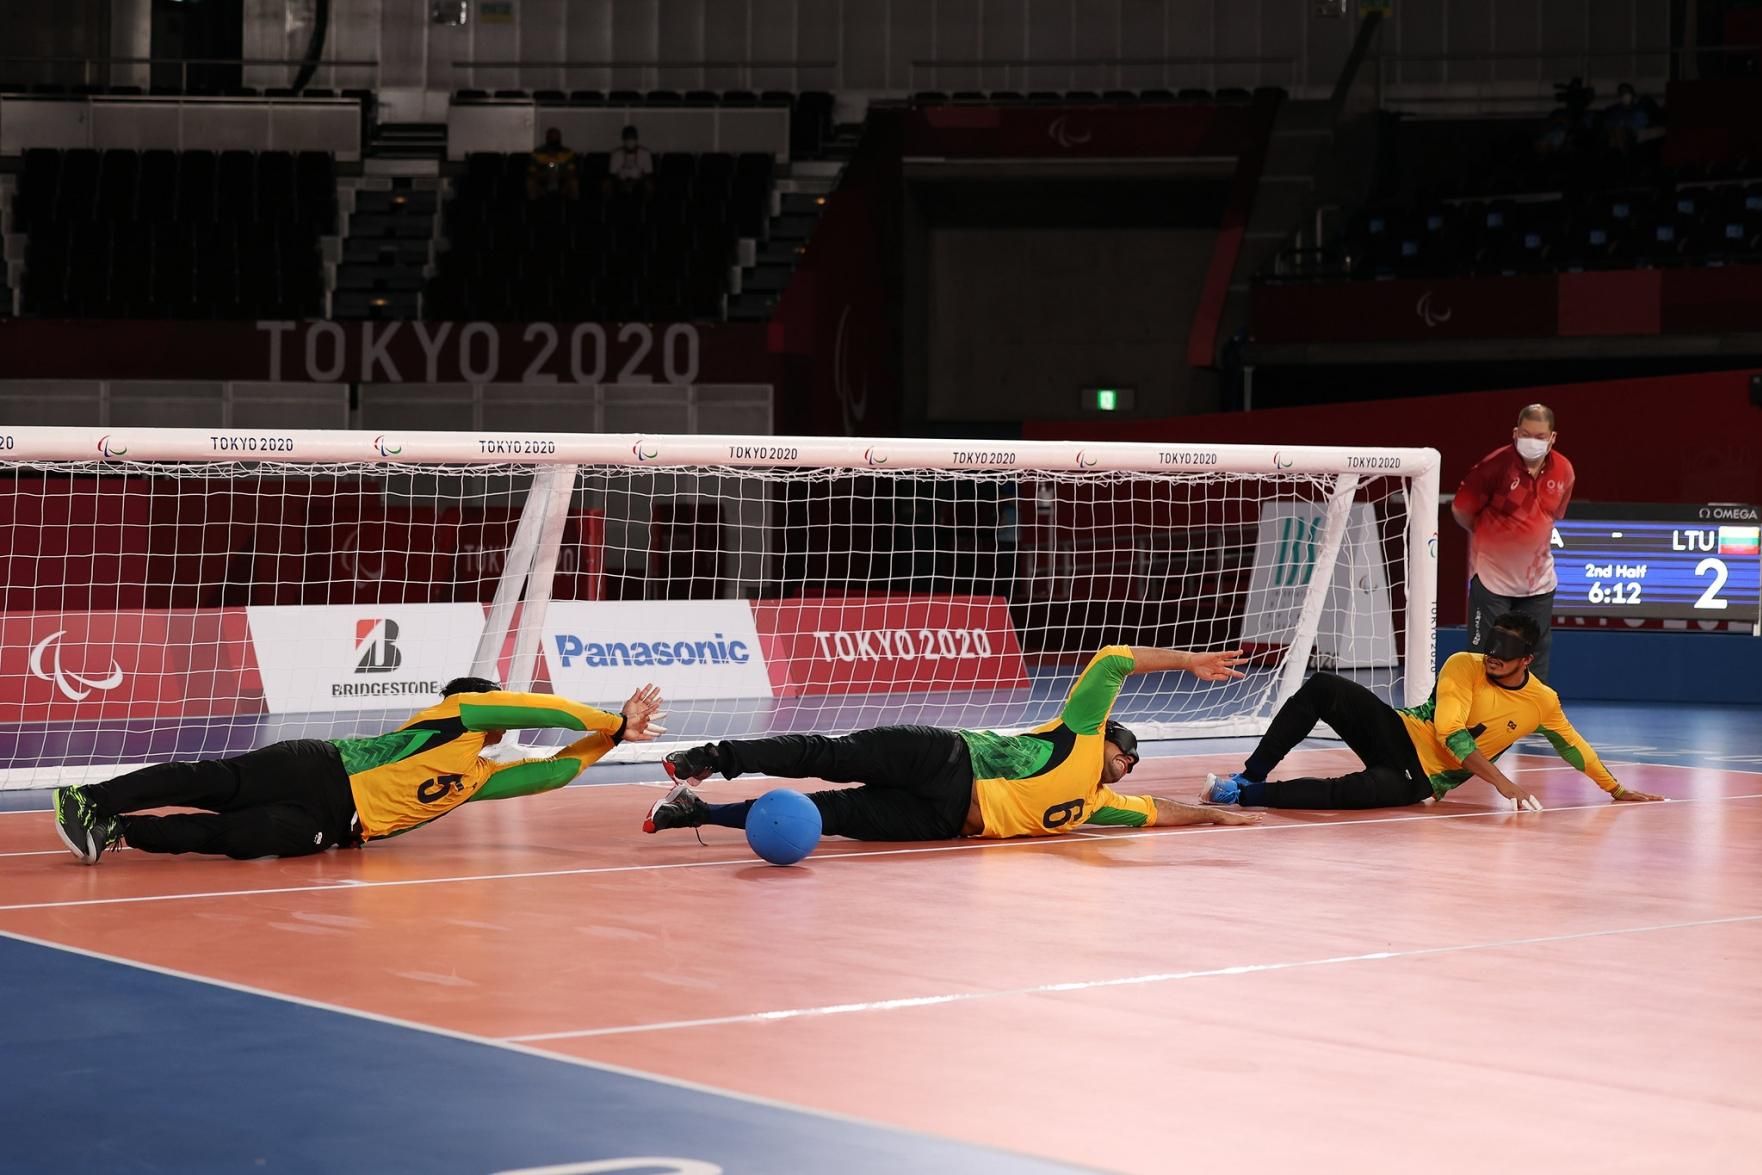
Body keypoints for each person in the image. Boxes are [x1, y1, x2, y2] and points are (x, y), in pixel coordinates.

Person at [642, 644, 1263, 842]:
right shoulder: (1078, 736)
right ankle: (710, 760)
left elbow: (1157, 813)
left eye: (1135, 763)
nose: (1129, 762)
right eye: (1125, 749)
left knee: (820, 818)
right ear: (1105, 739)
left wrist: (1210, 815)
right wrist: (1187, 661)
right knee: (824, 755)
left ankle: (693, 813)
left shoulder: (1096, 805)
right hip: (943, 755)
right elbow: (1112, 661)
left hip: (941, 818)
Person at [51, 678, 665, 864]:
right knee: (205, 780)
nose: (505, 714)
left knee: (232, 838)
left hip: (334, 826)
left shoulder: (477, 776)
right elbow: (546, 710)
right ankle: (85, 796)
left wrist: (603, 743)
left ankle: (117, 832)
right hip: (318, 769)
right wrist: (611, 720)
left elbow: (554, 772)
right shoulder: (455, 716)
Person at [1197, 612, 1663, 812]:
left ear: (1528, 659)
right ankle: (1247, 777)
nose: (1493, 656)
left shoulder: (1542, 701)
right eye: (1491, 646)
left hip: (1424, 778)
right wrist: (1502, 783)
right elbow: (1450, 735)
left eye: (1507, 651)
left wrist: (1616, 789)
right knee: (1324, 686)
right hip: (1399, 731)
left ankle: (1244, 800)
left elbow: (1574, 747)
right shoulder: (1464, 664)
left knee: (1358, 794)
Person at [1452, 402, 1573, 681]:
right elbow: (1461, 510)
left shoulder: (1564, 470)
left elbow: (1554, 516)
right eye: (1527, 434)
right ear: (1516, 433)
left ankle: (1530, 718)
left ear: (1552, 438)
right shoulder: (1494, 467)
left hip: (1538, 583)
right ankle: (1482, 717)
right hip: (1493, 580)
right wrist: (1491, 539)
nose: (1533, 442)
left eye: (1541, 437)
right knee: (1486, 655)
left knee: (1534, 656)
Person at [527, 127, 580, 200]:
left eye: (556, 138)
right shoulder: (537, 153)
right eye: (551, 137)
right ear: (547, 138)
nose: (554, 140)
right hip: (543, 179)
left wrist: (562, 180)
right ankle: (533, 208)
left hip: (562, 179)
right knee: (530, 183)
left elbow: (571, 171)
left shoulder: (568, 152)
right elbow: (532, 171)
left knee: (574, 183)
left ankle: (573, 209)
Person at [607, 124, 654, 197]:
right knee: (607, 184)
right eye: (628, 138)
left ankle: (646, 207)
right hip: (620, 183)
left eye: (632, 137)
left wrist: (635, 183)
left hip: (639, 182)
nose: (630, 140)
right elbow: (613, 174)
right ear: (623, 139)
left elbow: (648, 174)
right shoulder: (616, 154)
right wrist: (624, 184)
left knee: (649, 185)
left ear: (636, 138)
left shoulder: (645, 153)